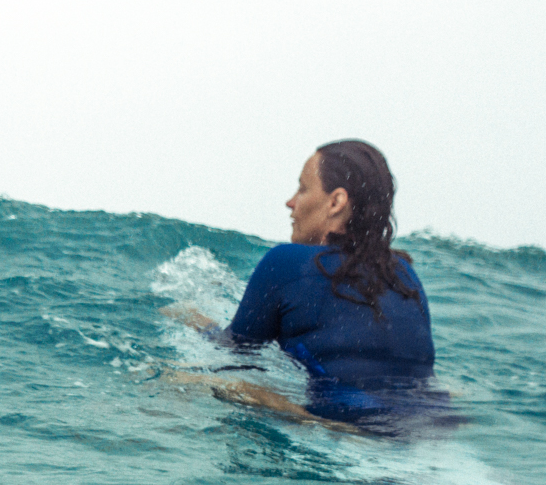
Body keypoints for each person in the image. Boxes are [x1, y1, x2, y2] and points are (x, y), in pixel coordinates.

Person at [174, 140, 450, 433]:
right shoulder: (405, 274)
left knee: (180, 380)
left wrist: (194, 320)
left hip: (350, 433)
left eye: (303, 189)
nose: (291, 202)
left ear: (336, 202)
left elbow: (232, 353)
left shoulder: (285, 262)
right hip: (432, 429)